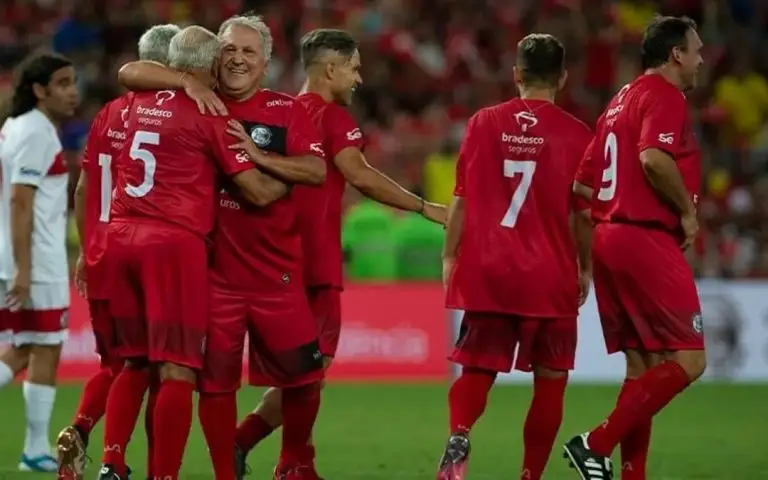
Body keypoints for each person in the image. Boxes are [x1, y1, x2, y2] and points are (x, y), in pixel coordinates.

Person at [116, 15, 328, 479]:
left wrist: (259, 156)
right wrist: (187, 83)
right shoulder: (195, 104)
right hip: (214, 276)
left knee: (306, 376)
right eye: (229, 49)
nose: (237, 58)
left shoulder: (287, 109)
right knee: (215, 385)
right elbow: (130, 72)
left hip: (276, 273)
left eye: (249, 52)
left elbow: (315, 171)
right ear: (214, 57)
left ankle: (293, 462)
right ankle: (225, 466)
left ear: (266, 62)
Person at [233, 26, 448, 468]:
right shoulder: (334, 120)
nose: (358, 78)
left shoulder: (278, 113)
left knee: (302, 373)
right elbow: (362, 176)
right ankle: (289, 463)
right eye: (352, 68)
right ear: (330, 70)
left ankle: (252, 448)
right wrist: (425, 207)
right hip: (314, 263)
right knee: (313, 371)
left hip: (270, 260)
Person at [437, 34, 593, 480]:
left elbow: (462, 197)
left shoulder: (483, 122)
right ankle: (530, 475)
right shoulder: (579, 135)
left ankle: (460, 432)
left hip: (489, 267)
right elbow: (584, 216)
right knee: (550, 378)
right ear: (562, 78)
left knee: (477, 367)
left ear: (516, 74)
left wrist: (451, 255)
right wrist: (585, 268)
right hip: (550, 272)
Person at [563, 16, 704, 480]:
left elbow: (583, 187)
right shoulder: (665, 97)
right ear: (675, 54)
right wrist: (685, 210)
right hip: (644, 236)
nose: (701, 58)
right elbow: (652, 157)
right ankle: (595, 443)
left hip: (610, 238)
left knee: (641, 367)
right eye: (696, 49)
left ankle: (630, 475)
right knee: (689, 360)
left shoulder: (619, 101)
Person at [56, 23, 180, 480]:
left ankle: (83, 433)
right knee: (153, 366)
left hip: (104, 249)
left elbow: (85, 186)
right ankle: (116, 455)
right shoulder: (168, 117)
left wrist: (87, 248)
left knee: (121, 361)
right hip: (147, 248)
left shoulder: (109, 113)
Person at [0, 52, 78, 473]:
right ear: (39, 90)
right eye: (63, 83)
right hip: (37, 258)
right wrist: (25, 269)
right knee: (42, 347)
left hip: (19, 253)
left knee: (31, 346)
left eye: (74, 81)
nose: (73, 92)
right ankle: (35, 449)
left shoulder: (16, 126)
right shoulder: (37, 133)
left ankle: (36, 448)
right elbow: (20, 200)